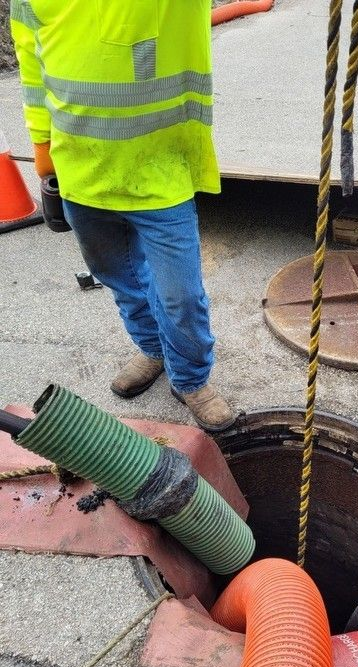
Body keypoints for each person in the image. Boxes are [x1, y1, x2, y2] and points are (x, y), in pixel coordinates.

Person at [10, 0, 236, 432]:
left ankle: (190, 380)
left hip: (160, 174)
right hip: (82, 172)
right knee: (121, 278)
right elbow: (32, 65)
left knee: (181, 297)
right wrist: (43, 148)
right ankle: (153, 348)